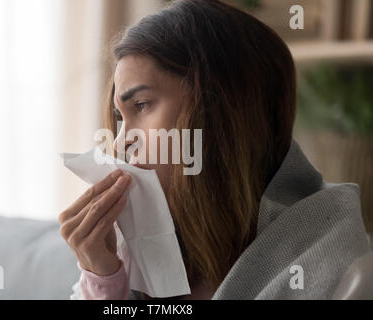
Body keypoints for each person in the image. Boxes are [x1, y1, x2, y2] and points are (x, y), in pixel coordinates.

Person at [58, 0, 370, 300]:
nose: (119, 144)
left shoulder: (339, 270)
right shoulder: (131, 255)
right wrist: (101, 281)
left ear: (218, 110)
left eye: (141, 104)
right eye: (119, 118)